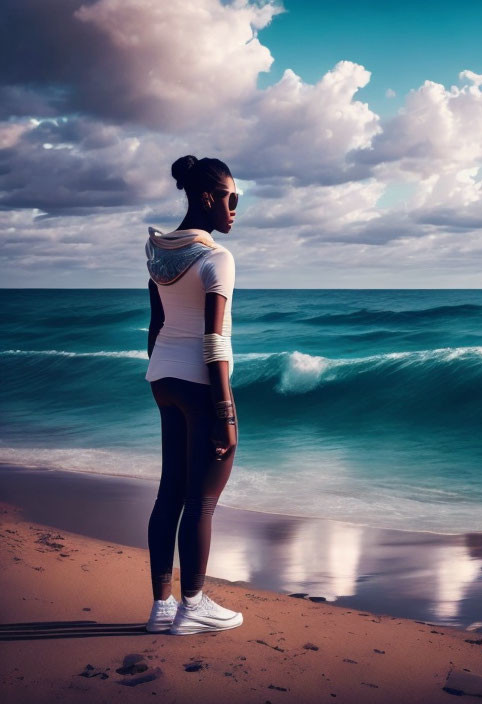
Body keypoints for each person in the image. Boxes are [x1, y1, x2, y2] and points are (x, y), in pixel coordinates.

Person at [143, 155, 242, 635]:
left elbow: (155, 326)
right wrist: (225, 410)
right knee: (201, 502)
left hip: (162, 380)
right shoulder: (216, 259)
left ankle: (161, 607)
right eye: (230, 198)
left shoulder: (159, 254)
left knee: (170, 493)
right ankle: (193, 606)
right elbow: (214, 342)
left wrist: (161, 369)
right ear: (207, 197)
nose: (234, 208)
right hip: (201, 385)